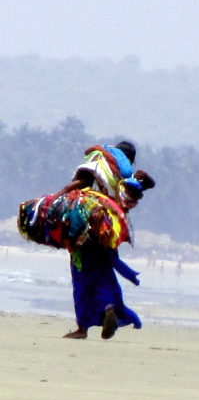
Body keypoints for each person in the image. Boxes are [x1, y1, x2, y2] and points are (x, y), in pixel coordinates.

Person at [61, 140, 155, 340]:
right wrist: (147, 180)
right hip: (108, 233)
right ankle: (109, 307)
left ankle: (82, 328)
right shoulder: (128, 179)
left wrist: (56, 197)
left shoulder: (100, 167)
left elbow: (79, 184)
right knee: (103, 274)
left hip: (86, 229)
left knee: (81, 278)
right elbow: (144, 188)